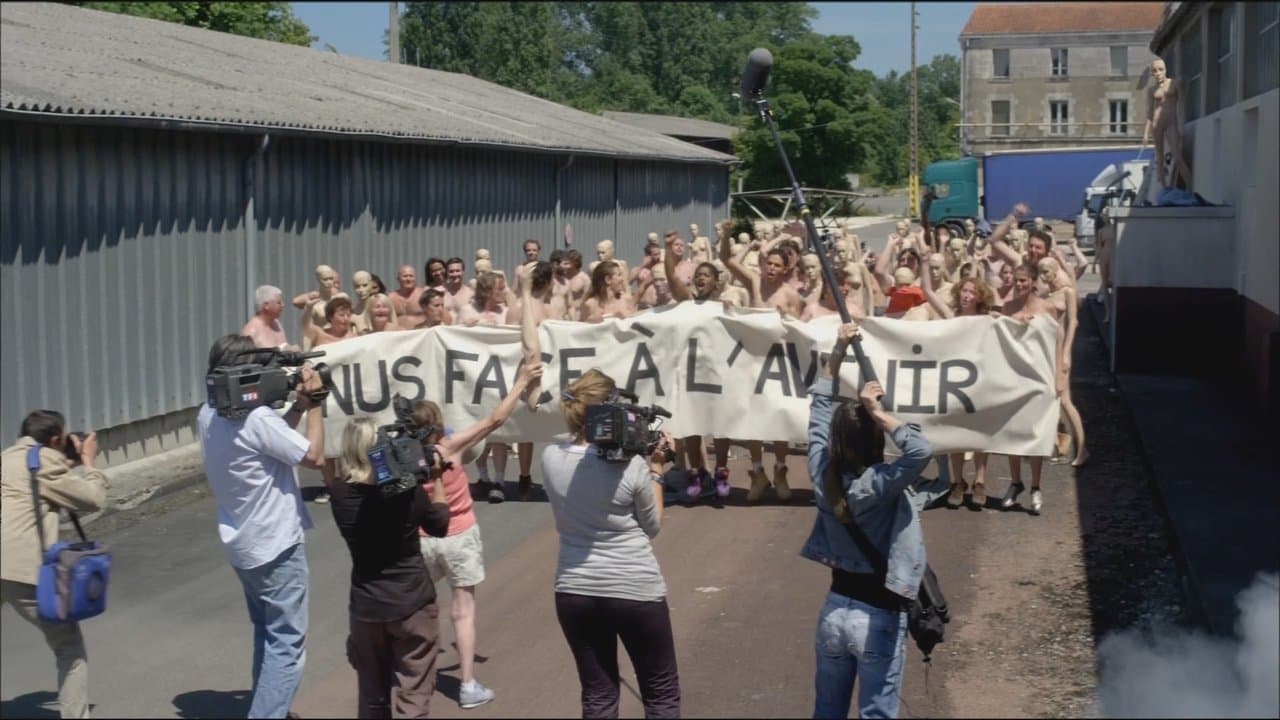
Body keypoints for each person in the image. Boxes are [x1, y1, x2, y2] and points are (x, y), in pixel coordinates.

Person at [804, 322, 946, 719]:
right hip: (878, 615)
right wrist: (878, 412)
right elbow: (920, 450)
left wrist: (836, 354)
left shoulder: (821, 475)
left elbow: (817, 411)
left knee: (826, 712)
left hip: (834, 611)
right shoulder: (879, 483)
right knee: (877, 713)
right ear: (873, 441)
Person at [197, 333, 326, 718]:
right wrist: (316, 404)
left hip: (244, 544)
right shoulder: (256, 418)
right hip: (276, 547)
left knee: (267, 635)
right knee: (287, 643)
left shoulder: (207, 412)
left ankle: (267, 706)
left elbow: (272, 441)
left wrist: (298, 408)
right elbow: (314, 455)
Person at [540, 369, 681, 718]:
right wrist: (657, 471)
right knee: (660, 694)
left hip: (574, 589)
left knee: (598, 695)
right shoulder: (631, 465)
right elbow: (651, 525)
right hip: (635, 589)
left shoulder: (550, 456)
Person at [410, 360, 541, 709]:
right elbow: (494, 420)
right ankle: (467, 685)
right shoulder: (449, 448)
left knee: (418, 608)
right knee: (462, 611)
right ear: (436, 425)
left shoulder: (404, 459)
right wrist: (521, 383)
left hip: (422, 540)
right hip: (459, 536)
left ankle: (411, 675)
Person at [329, 417, 451, 718]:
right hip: (411, 602)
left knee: (372, 698)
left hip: (367, 608)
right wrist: (435, 479)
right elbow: (439, 525)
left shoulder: (340, 494)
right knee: (414, 694)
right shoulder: (407, 492)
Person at [1, 410, 109, 720]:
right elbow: (92, 499)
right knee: (69, 648)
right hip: (20, 570)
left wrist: (65, 465)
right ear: (53, 440)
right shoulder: (45, 461)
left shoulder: (6, 457)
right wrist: (88, 463)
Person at [720, 223, 801, 502]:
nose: (771, 269)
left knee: (779, 417)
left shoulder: (791, 296)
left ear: (785, 269)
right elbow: (727, 261)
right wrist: (733, 240)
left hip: (779, 363)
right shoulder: (754, 282)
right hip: (752, 360)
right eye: (768, 264)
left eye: (777, 265)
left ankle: (780, 470)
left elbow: (800, 331)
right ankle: (757, 472)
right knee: (752, 417)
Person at [1037, 257, 1088, 467]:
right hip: (1047, 351)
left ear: (1056, 270)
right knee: (1052, 400)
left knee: (1065, 401)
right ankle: (1059, 445)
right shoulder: (1046, 295)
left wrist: (1067, 352)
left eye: (1047, 271)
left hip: (1060, 352)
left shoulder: (1067, 292)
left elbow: (1073, 322)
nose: (1043, 276)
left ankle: (1083, 448)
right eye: (1041, 272)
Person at [243, 285, 290, 349]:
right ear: (266, 306)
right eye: (279, 303)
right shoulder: (251, 332)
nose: (283, 305)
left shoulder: (276, 323)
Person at [390, 265, 425, 330]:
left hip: (420, 334)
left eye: (411, 276)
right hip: (399, 336)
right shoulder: (391, 298)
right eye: (405, 276)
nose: (408, 279)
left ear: (415, 278)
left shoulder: (424, 295)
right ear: (398, 279)